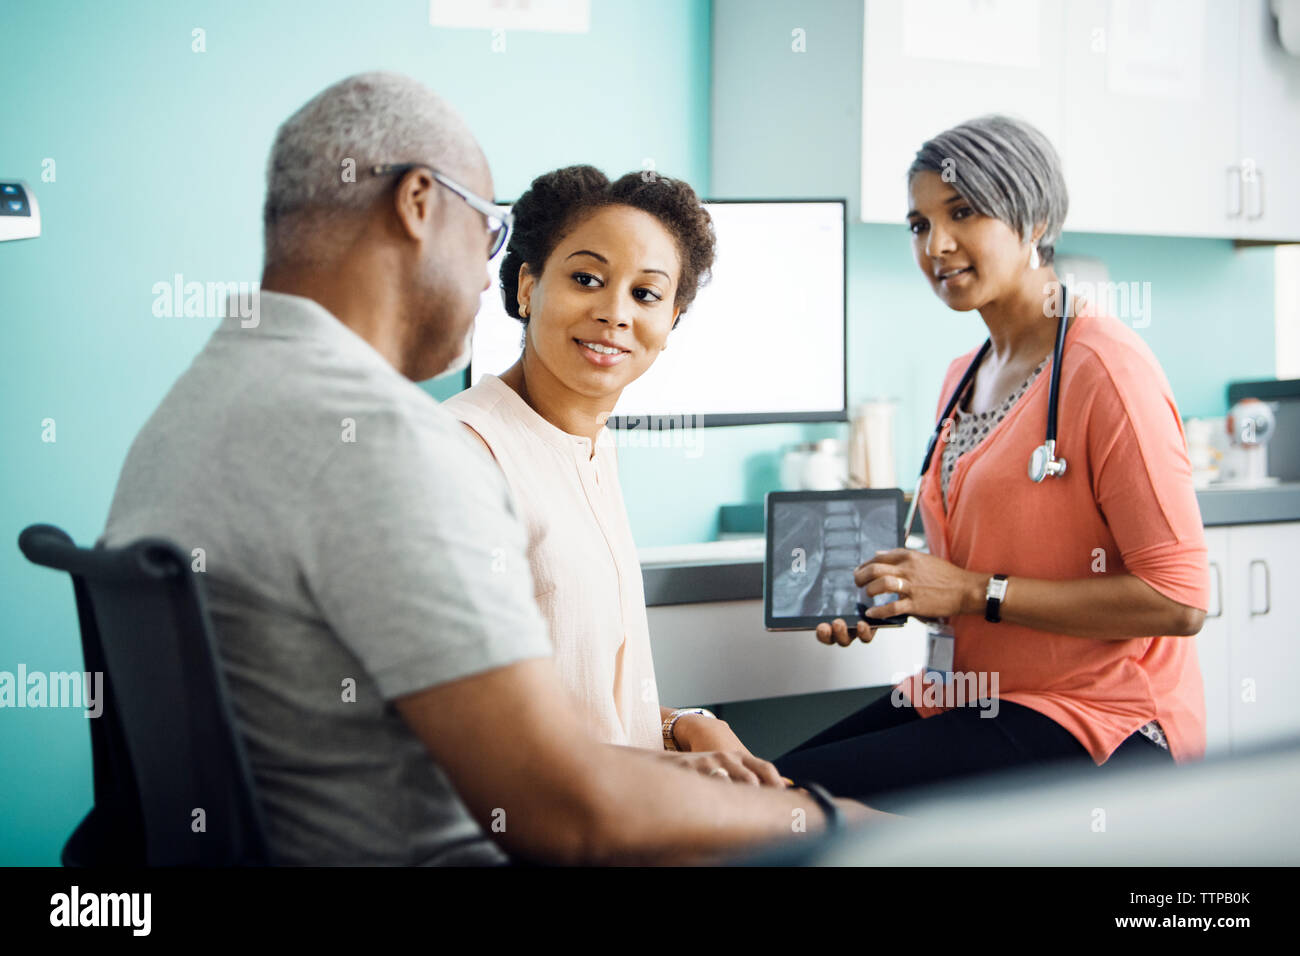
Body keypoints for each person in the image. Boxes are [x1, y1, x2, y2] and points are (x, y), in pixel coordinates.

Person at [99, 71, 877, 865]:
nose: (486, 273)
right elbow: (560, 811)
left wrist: (673, 726)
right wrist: (830, 821)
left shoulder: (191, 410)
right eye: (490, 232)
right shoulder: (389, 444)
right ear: (418, 204)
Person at [774, 115, 1210, 808]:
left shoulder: (1107, 369)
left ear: (1033, 219)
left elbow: (1179, 600)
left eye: (963, 212)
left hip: (1098, 717)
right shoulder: (963, 374)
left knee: (781, 806)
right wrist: (902, 594)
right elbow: (975, 570)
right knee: (761, 782)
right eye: (918, 224)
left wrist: (974, 591)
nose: (936, 245)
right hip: (967, 697)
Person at [444, 165, 763, 775]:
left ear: (672, 320)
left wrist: (679, 724)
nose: (616, 313)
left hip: (626, 806)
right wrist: (671, 779)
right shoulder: (464, 453)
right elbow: (472, 728)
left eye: (646, 294)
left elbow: (581, 694)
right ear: (527, 288)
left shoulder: (590, 445)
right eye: (587, 279)